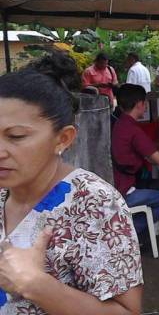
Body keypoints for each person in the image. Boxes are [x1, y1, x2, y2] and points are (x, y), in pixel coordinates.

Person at [0, 53, 142, 314]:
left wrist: (37, 285)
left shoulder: (94, 204)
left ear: (63, 139)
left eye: (16, 136)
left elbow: (127, 311)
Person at [112, 83, 159, 236]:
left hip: (116, 186)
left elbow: (148, 151)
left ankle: (134, 231)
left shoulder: (120, 124)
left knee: (158, 186)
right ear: (140, 104)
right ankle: (130, 234)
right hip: (125, 192)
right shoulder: (133, 130)